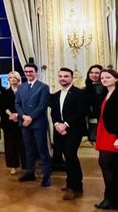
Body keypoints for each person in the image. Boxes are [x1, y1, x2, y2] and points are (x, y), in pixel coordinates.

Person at [94, 68, 118, 210]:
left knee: (106, 163)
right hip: (104, 132)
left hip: (115, 134)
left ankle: (110, 198)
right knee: (115, 165)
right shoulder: (105, 93)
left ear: (116, 79)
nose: (104, 80)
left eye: (107, 77)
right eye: (102, 78)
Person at [50, 67, 88, 200]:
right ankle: (75, 183)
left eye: (66, 76)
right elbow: (54, 112)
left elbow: (81, 112)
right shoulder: (56, 95)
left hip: (74, 129)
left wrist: (65, 124)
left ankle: (73, 187)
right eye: (60, 76)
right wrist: (56, 125)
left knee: (71, 155)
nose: (62, 78)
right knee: (68, 156)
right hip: (59, 129)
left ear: (72, 78)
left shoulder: (80, 93)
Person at [16, 63, 52, 186]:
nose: (28, 74)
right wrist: (24, 116)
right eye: (26, 72)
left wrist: (31, 117)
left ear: (36, 72)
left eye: (30, 71)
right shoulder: (21, 87)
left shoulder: (43, 87)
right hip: (25, 123)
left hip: (38, 123)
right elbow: (17, 104)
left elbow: (43, 105)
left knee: (42, 150)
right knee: (28, 149)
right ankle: (30, 172)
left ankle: (47, 176)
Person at [0, 71, 25, 175]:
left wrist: (17, 115)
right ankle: (13, 166)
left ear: (18, 79)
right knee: (10, 145)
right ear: (8, 80)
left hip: (22, 120)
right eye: (10, 78)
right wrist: (11, 115)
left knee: (23, 144)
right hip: (8, 121)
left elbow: (25, 105)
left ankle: (25, 165)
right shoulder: (5, 92)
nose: (13, 79)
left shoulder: (23, 92)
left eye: (15, 78)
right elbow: (3, 107)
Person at [85, 64, 105, 143]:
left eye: (97, 73)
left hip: (106, 122)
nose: (94, 75)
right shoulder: (85, 89)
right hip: (92, 122)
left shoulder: (108, 88)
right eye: (91, 72)